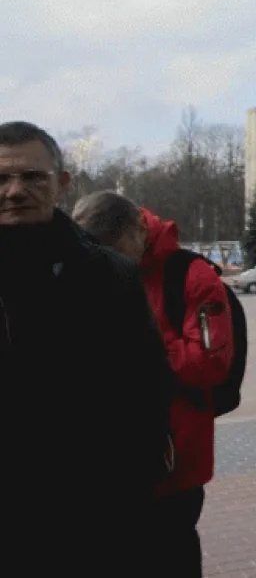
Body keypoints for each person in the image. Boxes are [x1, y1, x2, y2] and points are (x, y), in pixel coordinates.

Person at [0, 121, 172, 572]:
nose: (15, 190)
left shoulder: (109, 274)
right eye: (1, 178)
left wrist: (129, 488)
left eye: (32, 177)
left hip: (88, 517)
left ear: (61, 184)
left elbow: (147, 389)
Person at [72, 191, 235, 578]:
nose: (113, 261)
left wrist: (139, 345)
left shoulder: (191, 276)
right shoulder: (88, 266)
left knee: (170, 553)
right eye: (102, 251)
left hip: (174, 461)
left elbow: (210, 363)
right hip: (108, 458)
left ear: (139, 229)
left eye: (117, 249)